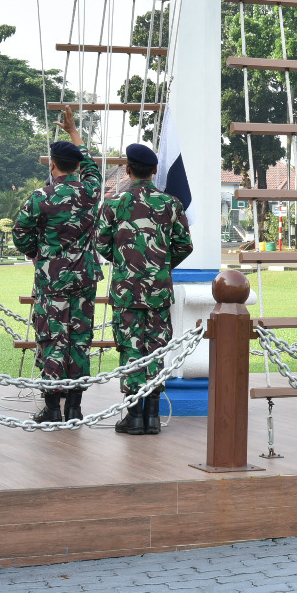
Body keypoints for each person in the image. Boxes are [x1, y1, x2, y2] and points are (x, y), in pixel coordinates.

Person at [13, 108, 104, 424]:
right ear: (77, 167)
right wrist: (74, 132)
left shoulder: (41, 197)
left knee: (53, 339)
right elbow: (92, 167)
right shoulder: (90, 191)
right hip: (84, 278)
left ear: (52, 165)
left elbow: (20, 231)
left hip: (52, 281)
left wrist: (35, 254)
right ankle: (75, 408)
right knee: (80, 339)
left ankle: (53, 408)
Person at [97, 143, 193, 435]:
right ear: (154, 171)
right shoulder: (171, 204)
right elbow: (185, 246)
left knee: (130, 350)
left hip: (127, 291)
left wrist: (129, 263)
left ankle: (134, 416)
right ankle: (152, 416)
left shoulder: (113, 204)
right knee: (156, 349)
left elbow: (102, 244)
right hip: (158, 291)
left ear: (128, 169)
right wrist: (159, 266)